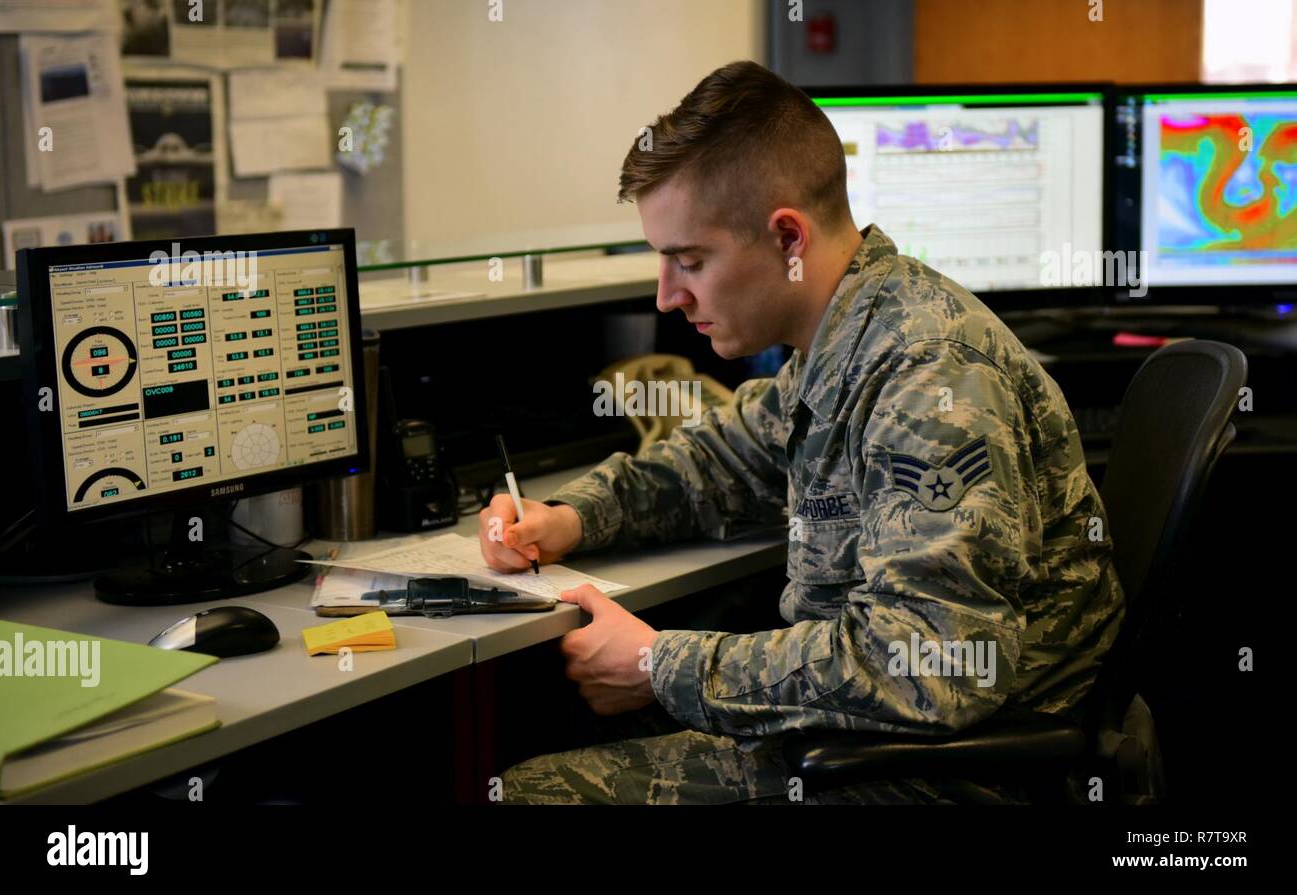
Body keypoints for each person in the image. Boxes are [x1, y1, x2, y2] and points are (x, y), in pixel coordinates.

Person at [476, 60, 1124, 804]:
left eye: (689, 260)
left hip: (952, 768)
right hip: (874, 733)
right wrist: (572, 515)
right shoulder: (849, 334)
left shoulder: (928, 375)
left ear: (787, 237)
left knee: (530, 791)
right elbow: (718, 459)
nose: (666, 295)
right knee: (551, 717)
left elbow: (936, 666)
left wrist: (660, 662)